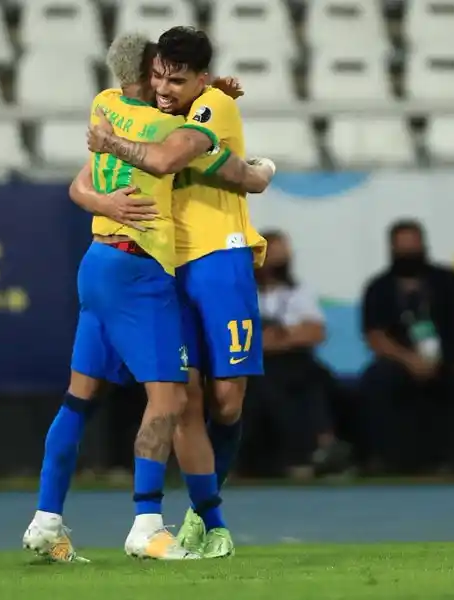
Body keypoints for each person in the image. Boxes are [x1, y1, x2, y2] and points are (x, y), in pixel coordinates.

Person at [23, 33, 275, 563]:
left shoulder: (106, 108)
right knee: (171, 399)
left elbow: (79, 186)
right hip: (144, 268)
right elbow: (227, 172)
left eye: (175, 79)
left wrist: (104, 190)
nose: (164, 88)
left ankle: (47, 520)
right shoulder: (171, 127)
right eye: (159, 76)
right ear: (146, 74)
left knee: (85, 397)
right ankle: (153, 522)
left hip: (110, 263)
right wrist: (259, 171)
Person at [360, 219, 454, 473]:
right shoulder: (379, 288)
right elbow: (374, 336)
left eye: (413, 247)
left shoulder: (444, 278)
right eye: (403, 248)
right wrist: (408, 359)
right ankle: (382, 458)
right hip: (402, 363)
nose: (409, 253)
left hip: (450, 360)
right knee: (376, 378)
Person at [245, 231, 350, 478]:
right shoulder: (241, 290)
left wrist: (278, 339)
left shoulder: (299, 291)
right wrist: (288, 334)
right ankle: (302, 452)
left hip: (294, 360)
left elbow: (315, 332)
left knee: (308, 375)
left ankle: (322, 446)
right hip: (253, 363)